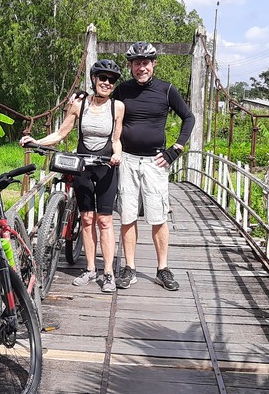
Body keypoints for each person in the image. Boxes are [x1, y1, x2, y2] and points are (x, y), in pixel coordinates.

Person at [19, 60, 125, 292]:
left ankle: (108, 273)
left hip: (106, 167)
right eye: (103, 78)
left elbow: (116, 140)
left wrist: (117, 155)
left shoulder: (117, 107)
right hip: (83, 167)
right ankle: (89, 269)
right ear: (94, 78)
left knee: (104, 221)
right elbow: (61, 132)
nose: (107, 83)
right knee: (87, 219)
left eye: (112, 80)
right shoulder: (79, 104)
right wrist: (36, 141)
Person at [113, 41, 195, 291]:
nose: (141, 67)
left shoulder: (167, 89)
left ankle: (162, 269)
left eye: (146, 62)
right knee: (127, 216)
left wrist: (176, 150)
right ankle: (130, 267)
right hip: (127, 159)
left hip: (155, 162)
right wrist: (83, 98)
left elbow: (189, 118)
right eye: (136, 63)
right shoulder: (121, 90)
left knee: (158, 217)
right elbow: (102, 106)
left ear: (154, 64)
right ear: (130, 66)